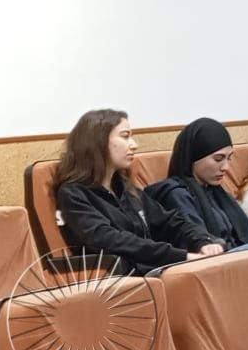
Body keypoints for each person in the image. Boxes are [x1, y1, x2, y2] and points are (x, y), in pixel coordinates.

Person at [51, 110, 223, 274]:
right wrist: (180, 257)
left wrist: (203, 241)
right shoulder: (73, 194)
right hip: (124, 277)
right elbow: (111, 240)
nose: (134, 145)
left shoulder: (125, 188)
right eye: (125, 136)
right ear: (98, 142)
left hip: (155, 269)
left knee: (225, 261)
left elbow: (170, 222)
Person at [146, 120, 248, 253]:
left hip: (234, 255)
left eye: (229, 158)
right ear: (194, 158)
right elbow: (197, 241)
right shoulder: (176, 194)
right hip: (211, 258)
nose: (226, 167)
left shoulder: (216, 192)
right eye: (218, 159)